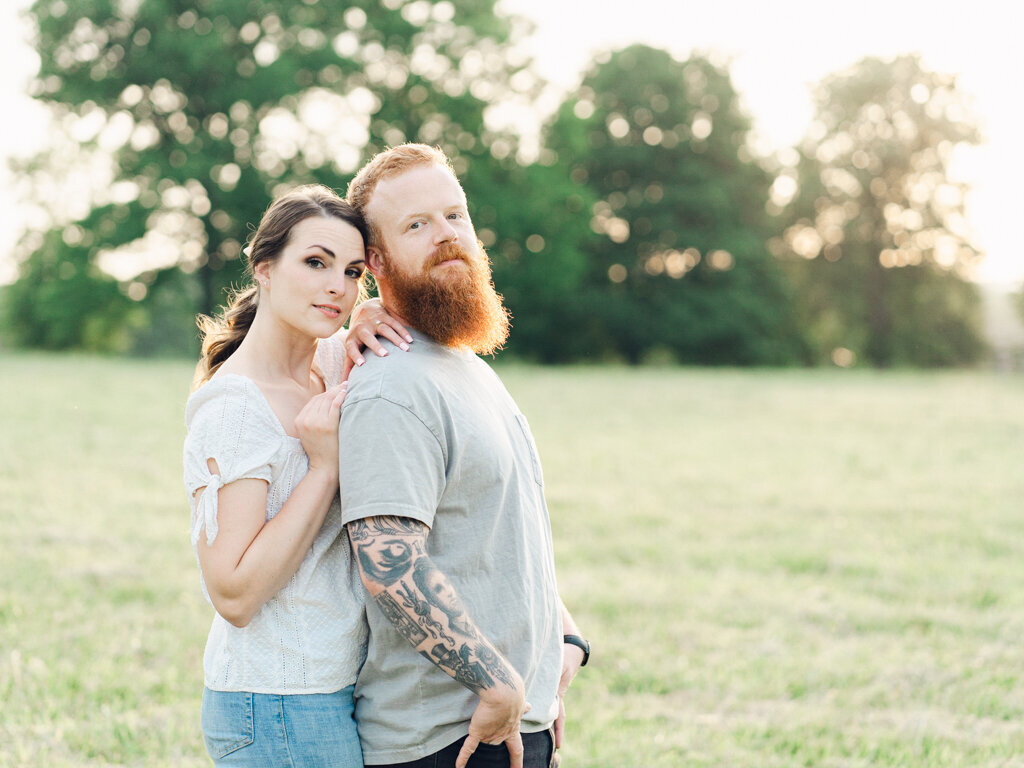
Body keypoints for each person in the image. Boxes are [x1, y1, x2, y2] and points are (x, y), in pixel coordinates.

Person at [338, 144, 590, 768]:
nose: (446, 235)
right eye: (416, 225)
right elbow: (388, 561)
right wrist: (498, 684)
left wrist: (563, 639)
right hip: (448, 738)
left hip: (509, 722)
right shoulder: (392, 386)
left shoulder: (462, 364)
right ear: (375, 261)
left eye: (455, 216)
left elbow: (498, 530)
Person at [182, 185, 410, 767]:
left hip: (333, 688)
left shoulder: (331, 363)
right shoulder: (236, 408)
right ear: (264, 267)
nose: (337, 285)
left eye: (353, 271)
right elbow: (233, 593)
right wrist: (324, 469)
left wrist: (367, 314)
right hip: (276, 702)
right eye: (315, 262)